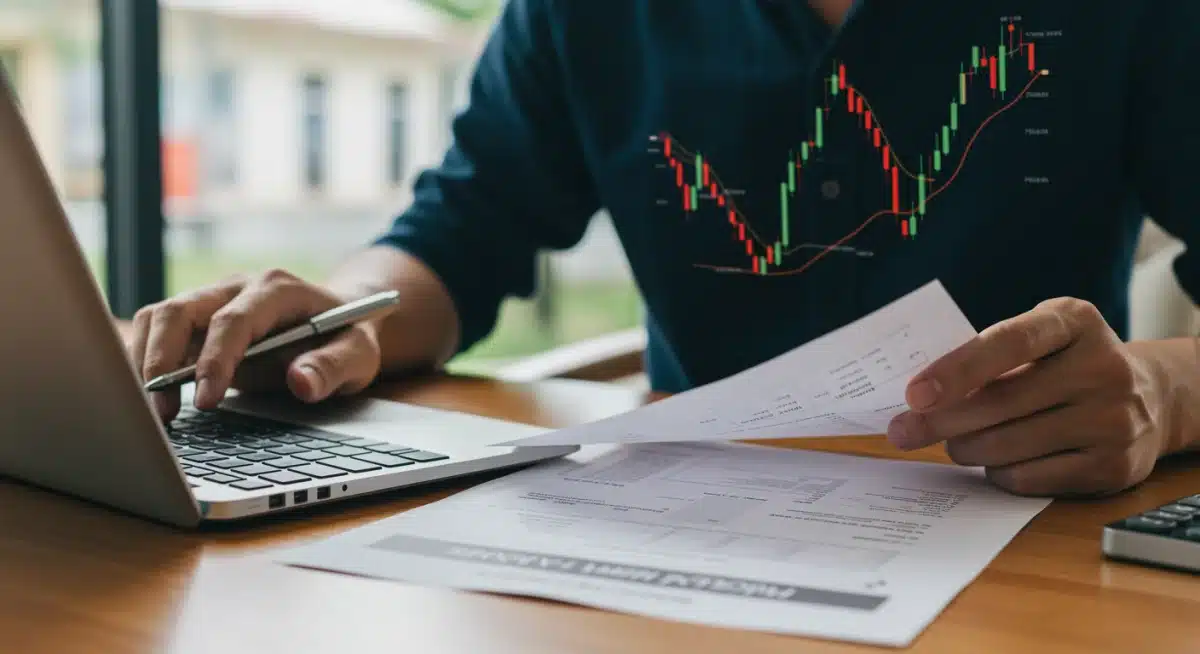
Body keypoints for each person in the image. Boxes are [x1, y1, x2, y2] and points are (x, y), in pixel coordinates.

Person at [128, 0, 1200, 497]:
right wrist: (337, 311)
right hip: (692, 531)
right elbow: (453, 242)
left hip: (1026, 538)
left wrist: (1161, 393)